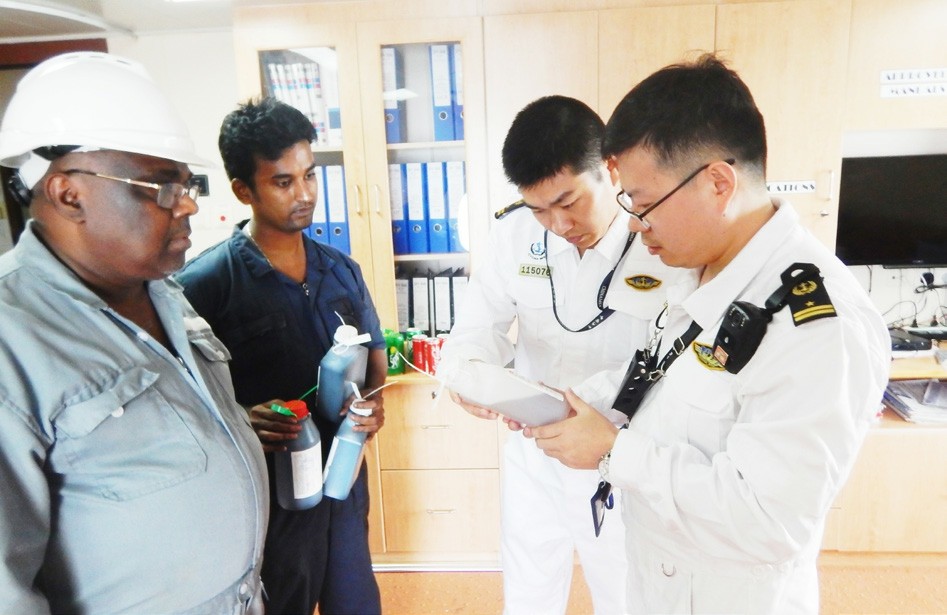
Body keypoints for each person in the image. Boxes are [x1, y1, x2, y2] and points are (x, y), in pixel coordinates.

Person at [529, 54, 890, 614]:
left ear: (718, 183)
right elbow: (663, 373)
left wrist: (616, 452)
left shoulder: (820, 325)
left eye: (644, 204)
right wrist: (576, 402)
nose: (634, 224)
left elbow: (769, 520)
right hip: (661, 582)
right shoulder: (700, 268)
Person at [0, 52, 268, 613]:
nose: (188, 204)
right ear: (69, 194)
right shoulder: (13, 338)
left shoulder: (163, 293)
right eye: (161, 187)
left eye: (187, 184)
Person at [436, 95, 678, 614]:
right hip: (535, 455)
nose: (558, 224)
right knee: (528, 594)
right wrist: (471, 377)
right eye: (539, 208)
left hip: (620, 455)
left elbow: (672, 358)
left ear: (610, 169)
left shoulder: (662, 240)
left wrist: (581, 410)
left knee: (626, 595)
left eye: (569, 202)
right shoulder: (512, 235)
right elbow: (475, 329)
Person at [175, 96, 386, 615]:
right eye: (283, 181)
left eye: (310, 175)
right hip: (272, 500)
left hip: (342, 480)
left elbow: (375, 362)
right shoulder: (204, 286)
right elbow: (183, 407)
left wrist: (372, 407)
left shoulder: (342, 271)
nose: (305, 193)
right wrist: (243, 418)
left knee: (355, 603)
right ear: (243, 190)